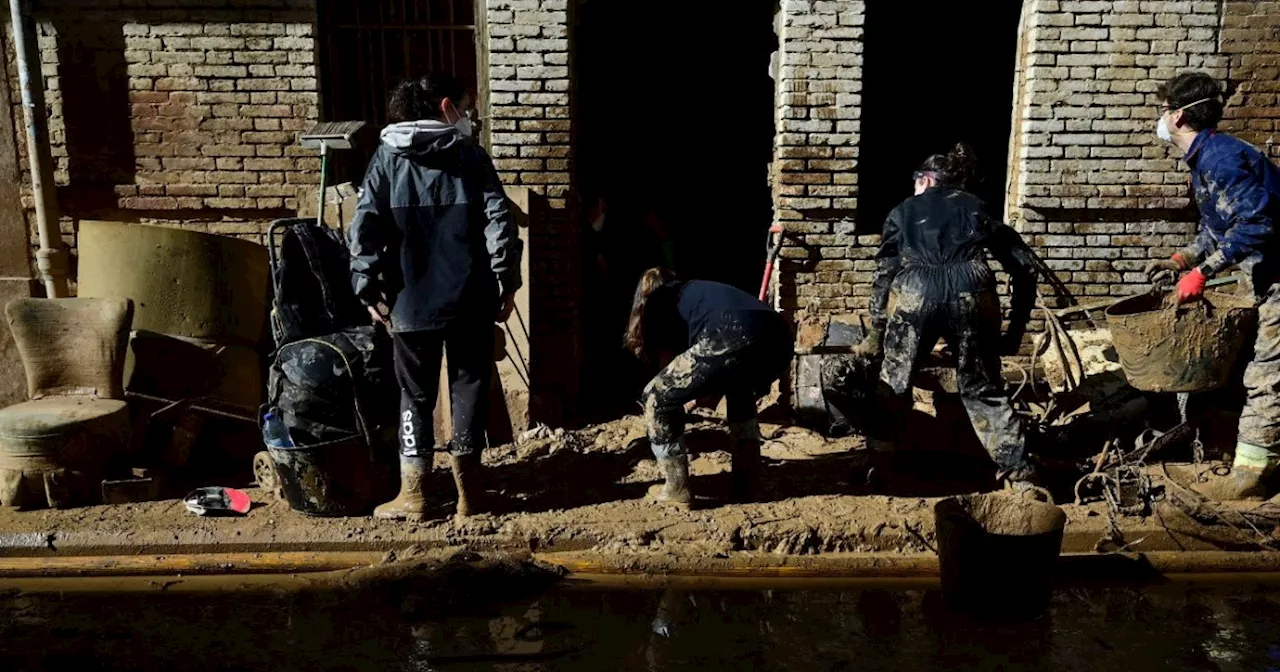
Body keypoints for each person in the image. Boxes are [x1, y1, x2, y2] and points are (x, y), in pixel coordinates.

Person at [348, 73, 522, 519]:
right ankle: (471, 495)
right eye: (464, 107)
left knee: (415, 394)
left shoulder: (385, 160)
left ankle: (416, 496)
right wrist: (505, 278)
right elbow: (498, 217)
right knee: (470, 386)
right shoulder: (470, 156)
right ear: (445, 107)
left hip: (408, 301)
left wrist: (365, 284)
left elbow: (364, 226)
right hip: (471, 297)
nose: (467, 116)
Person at [858, 142, 1039, 489]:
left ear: (927, 180)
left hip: (916, 292)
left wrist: (877, 332)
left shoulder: (902, 211)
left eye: (916, 179)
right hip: (971, 289)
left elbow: (884, 276)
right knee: (981, 385)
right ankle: (1019, 474)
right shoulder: (976, 206)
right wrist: (1014, 330)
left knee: (895, 381)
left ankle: (880, 468)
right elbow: (1024, 267)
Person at [1143, 72, 1280, 500]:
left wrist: (1203, 273)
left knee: (1268, 373)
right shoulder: (1206, 157)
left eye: (1163, 111)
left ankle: (1252, 479)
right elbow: (1218, 226)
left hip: (1277, 271)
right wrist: (1184, 259)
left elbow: (1256, 224)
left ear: (1179, 116)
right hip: (1263, 271)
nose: (1160, 119)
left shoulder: (1220, 160)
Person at [625, 269, 792, 506]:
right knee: (739, 388)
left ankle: (676, 488)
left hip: (732, 330)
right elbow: (708, 371)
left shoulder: (661, 300)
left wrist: (676, 402)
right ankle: (748, 482)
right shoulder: (699, 293)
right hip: (779, 338)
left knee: (655, 397)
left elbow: (669, 372)